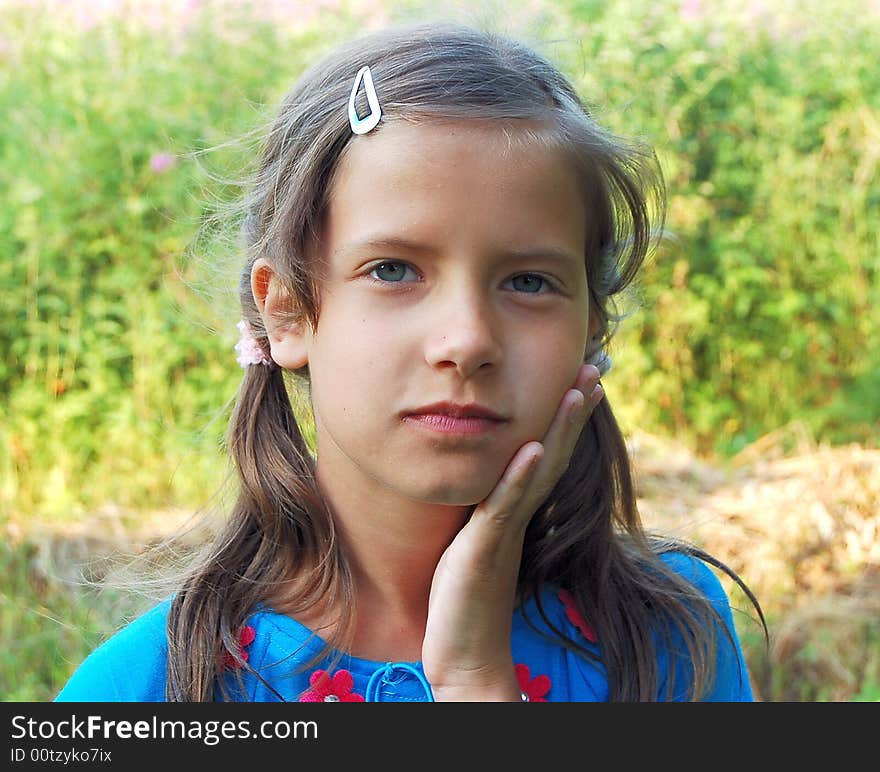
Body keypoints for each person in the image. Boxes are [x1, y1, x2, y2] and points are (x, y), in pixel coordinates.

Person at [56, 20, 764, 703]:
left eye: (527, 282)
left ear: (590, 325)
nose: (466, 341)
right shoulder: (153, 686)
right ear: (288, 312)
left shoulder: (667, 635)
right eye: (393, 270)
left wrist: (476, 684)